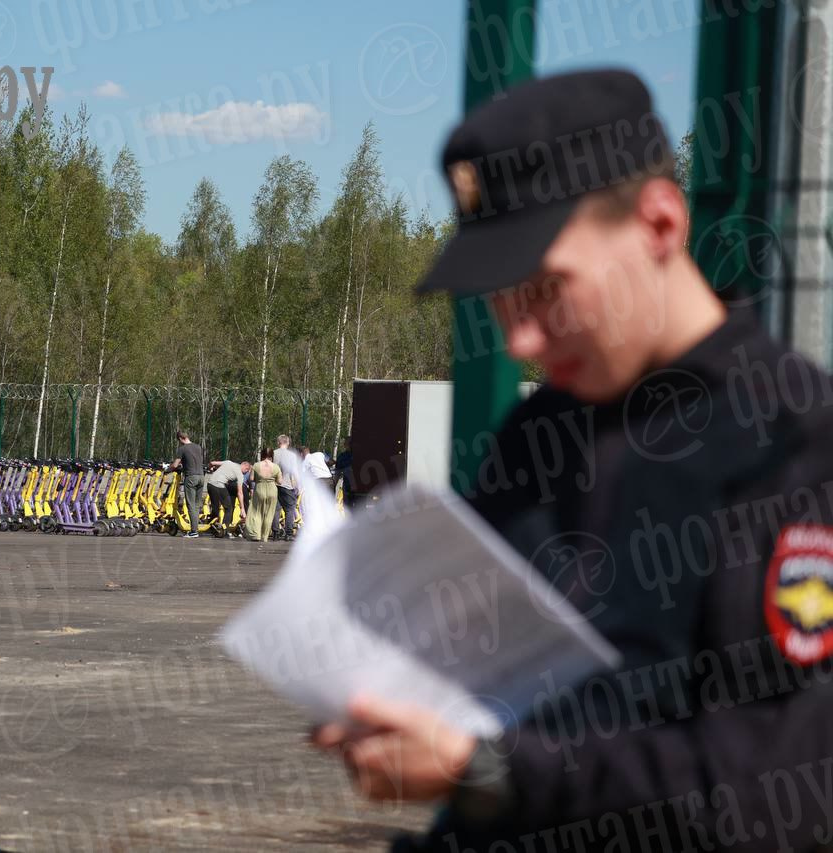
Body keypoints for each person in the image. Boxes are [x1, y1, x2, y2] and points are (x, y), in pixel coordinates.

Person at [311, 69, 833, 851]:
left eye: (548, 290)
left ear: (660, 225)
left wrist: (491, 772)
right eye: (502, 300)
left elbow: (781, 789)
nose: (520, 341)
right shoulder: (536, 436)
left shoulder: (795, 442)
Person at [166, 431, 205, 539]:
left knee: (191, 505)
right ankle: (195, 528)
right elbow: (193, 461)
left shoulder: (182, 449)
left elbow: (175, 465)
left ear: (180, 438)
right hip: (201, 477)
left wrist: (167, 470)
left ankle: (194, 531)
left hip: (191, 478)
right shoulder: (198, 447)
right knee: (197, 505)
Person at [244, 447, 279, 544]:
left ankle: (256, 534)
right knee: (269, 514)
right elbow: (280, 481)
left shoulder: (256, 465)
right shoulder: (276, 467)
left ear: (262, 455)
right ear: (272, 455)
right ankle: (265, 537)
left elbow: (251, 479)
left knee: (257, 512)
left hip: (260, 489)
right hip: (272, 490)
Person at [206, 458, 249, 532]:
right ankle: (224, 529)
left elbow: (212, 463)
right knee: (229, 508)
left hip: (210, 484)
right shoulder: (240, 474)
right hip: (219, 485)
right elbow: (240, 492)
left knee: (215, 507)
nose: (246, 473)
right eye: (247, 471)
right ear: (245, 467)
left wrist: (210, 468)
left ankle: (212, 527)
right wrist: (242, 508)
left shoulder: (228, 462)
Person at [272, 434, 300, 540]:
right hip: (287, 485)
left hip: (274, 485)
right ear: (287, 443)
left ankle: (275, 533)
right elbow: (295, 471)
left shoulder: (273, 453)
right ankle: (288, 533)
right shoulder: (292, 456)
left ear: (278, 443)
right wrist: (297, 485)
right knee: (289, 509)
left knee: (276, 509)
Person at [334, 435, 353, 504]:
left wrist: (334, 486)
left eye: (345, 443)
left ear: (345, 445)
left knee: (348, 508)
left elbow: (337, 474)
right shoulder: (342, 457)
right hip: (356, 487)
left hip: (348, 487)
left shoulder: (342, 457)